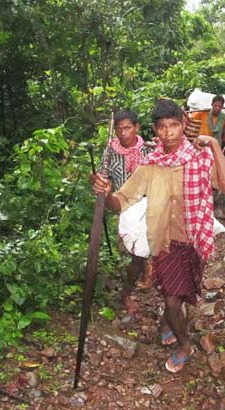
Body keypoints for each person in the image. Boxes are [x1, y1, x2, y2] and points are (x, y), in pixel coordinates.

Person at [92, 99, 225, 373]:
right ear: (155, 131)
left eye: (173, 125)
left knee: (181, 294)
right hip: (164, 242)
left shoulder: (199, 158)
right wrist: (105, 192)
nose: (168, 132)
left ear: (183, 125)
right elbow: (121, 201)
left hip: (194, 239)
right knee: (171, 298)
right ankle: (184, 345)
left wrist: (216, 145)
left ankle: (165, 323)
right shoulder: (150, 165)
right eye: (161, 127)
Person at [100, 109, 156, 313]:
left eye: (127, 128)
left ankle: (142, 276)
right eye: (119, 129)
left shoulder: (150, 150)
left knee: (144, 252)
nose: (123, 133)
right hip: (125, 208)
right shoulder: (110, 152)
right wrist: (101, 184)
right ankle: (126, 293)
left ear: (137, 127)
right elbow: (102, 178)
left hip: (149, 205)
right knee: (136, 255)